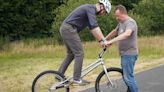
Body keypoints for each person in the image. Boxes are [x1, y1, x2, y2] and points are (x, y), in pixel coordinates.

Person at [58, 0, 111, 86]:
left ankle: (59, 75)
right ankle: (77, 79)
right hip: (69, 29)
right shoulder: (90, 9)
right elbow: (95, 26)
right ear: (102, 7)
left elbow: (93, 29)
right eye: (104, 12)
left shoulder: (90, 11)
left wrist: (101, 40)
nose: (102, 14)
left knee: (71, 54)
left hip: (66, 28)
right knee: (80, 53)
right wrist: (103, 40)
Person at [106, 5, 138, 92]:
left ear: (123, 13)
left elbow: (127, 34)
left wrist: (111, 41)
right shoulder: (121, 23)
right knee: (127, 77)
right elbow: (115, 31)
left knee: (128, 78)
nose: (116, 18)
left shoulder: (130, 22)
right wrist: (105, 39)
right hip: (124, 54)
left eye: (118, 16)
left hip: (130, 54)